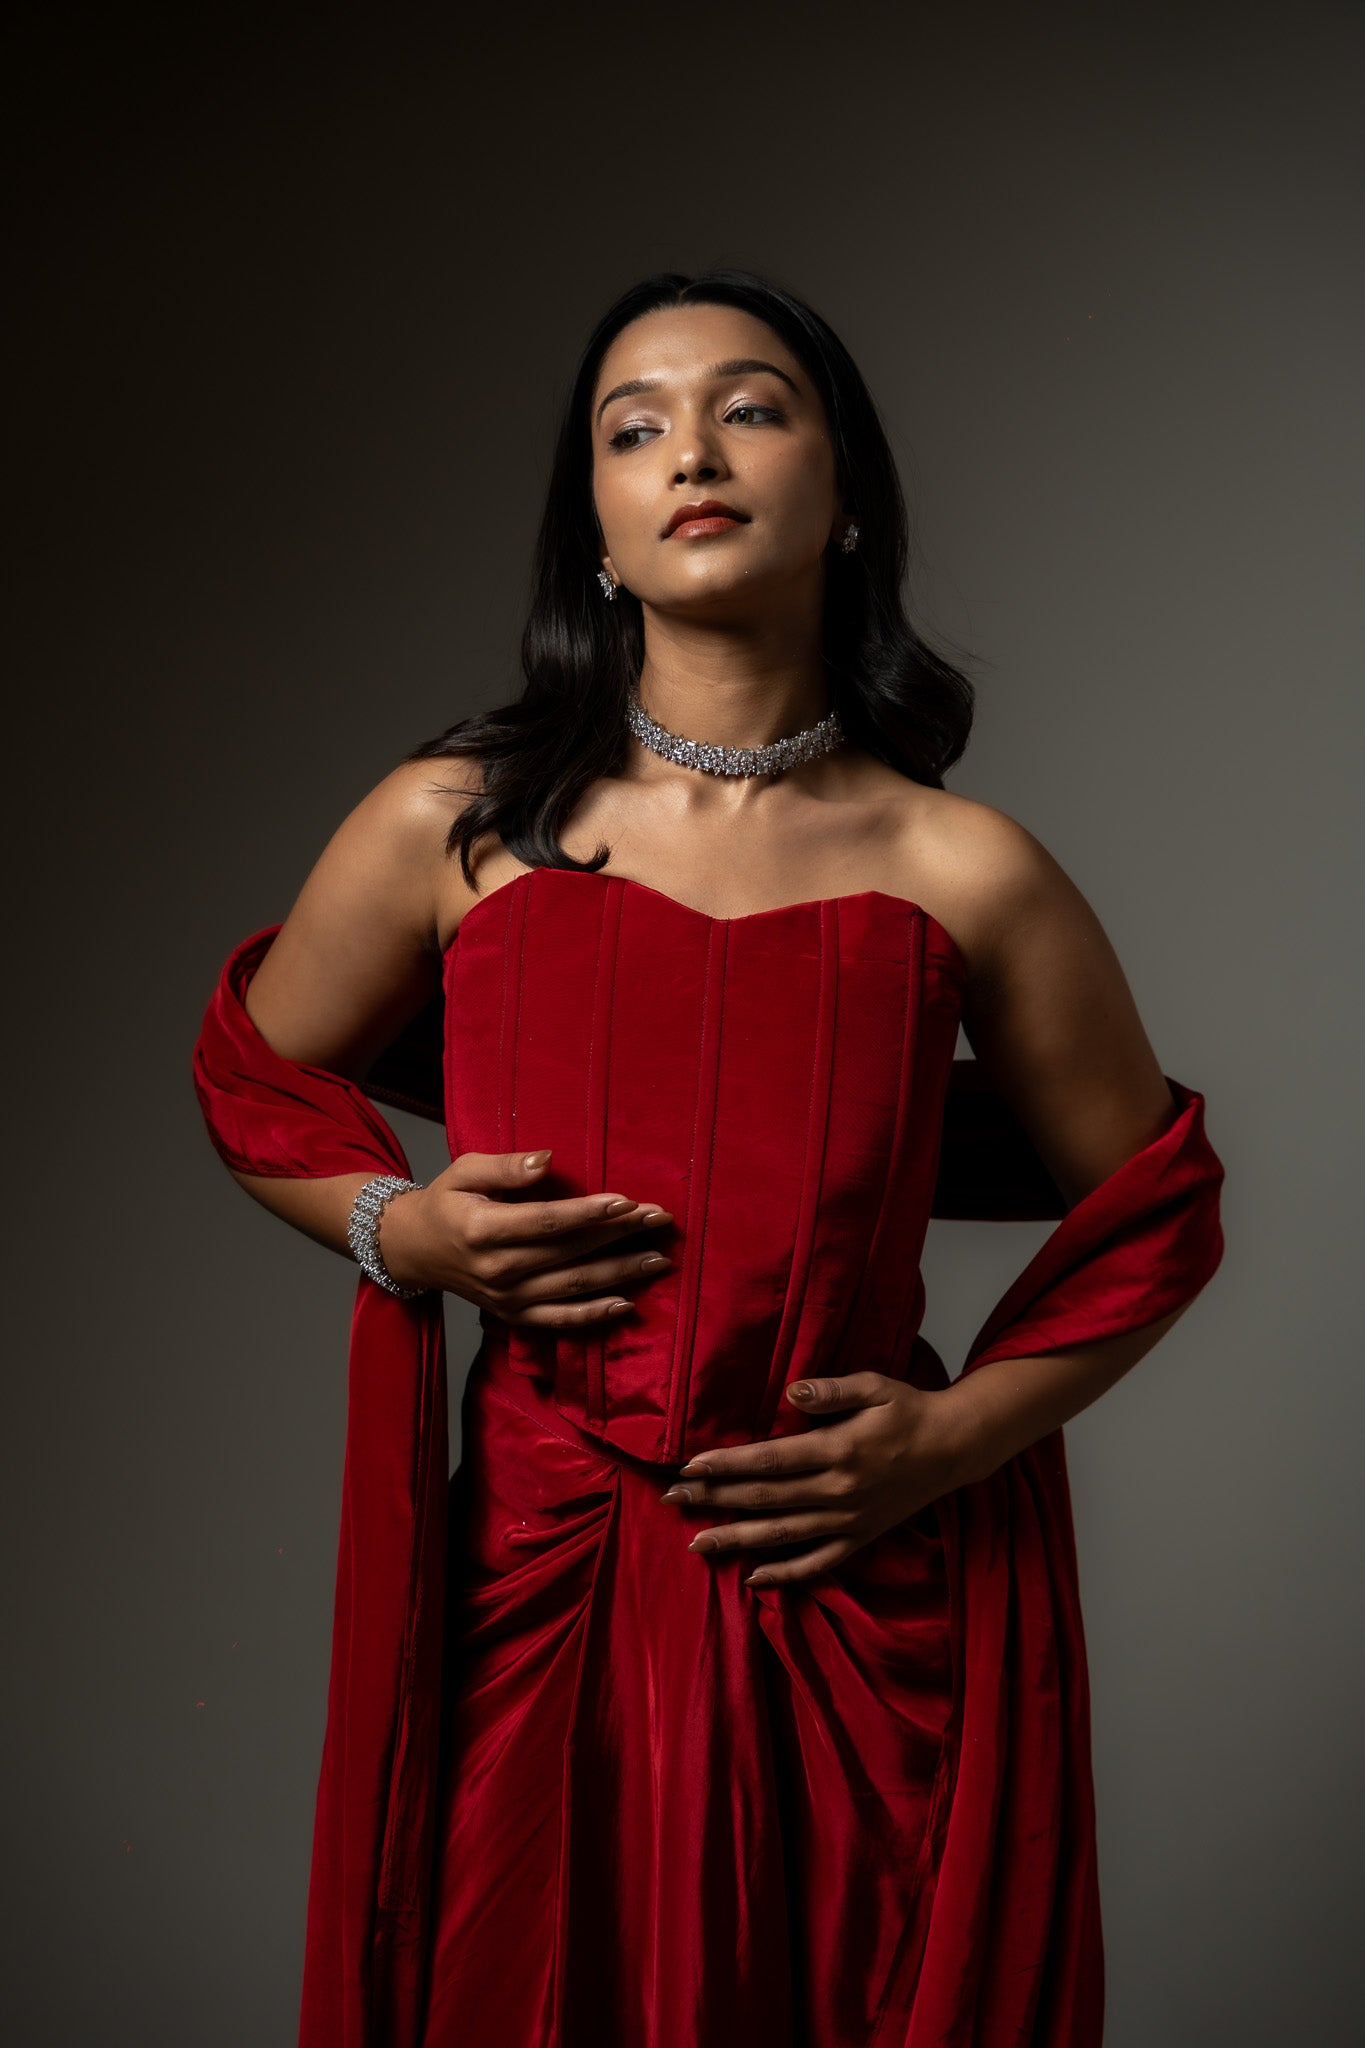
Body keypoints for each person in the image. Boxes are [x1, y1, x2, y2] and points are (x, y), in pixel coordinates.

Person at [196, 269, 1226, 2046]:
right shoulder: (456, 826)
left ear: (847, 498)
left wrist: (949, 1442)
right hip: (542, 1573)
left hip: (851, 1579)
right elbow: (253, 1073)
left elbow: (1157, 1210)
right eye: (635, 426)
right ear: (594, 529)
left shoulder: (966, 868)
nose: (691, 450)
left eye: (749, 408)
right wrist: (397, 1229)